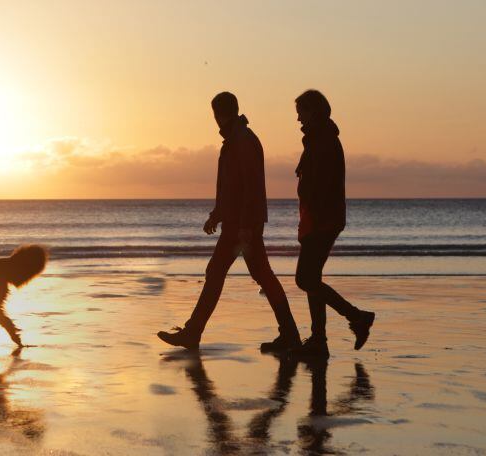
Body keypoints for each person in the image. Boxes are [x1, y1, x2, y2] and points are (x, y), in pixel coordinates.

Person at [158, 91, 301, 352]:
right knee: (254, 275)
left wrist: (245, 226)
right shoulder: (236, 140)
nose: (215, 120)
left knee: (226, 274)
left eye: (215, 115)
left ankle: (193, 332)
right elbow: (230, 187)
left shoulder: (242, 141)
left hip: (242, 226)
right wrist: (217, 214)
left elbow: (250, 187)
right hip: (239, 223)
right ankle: (288, 333)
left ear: (222, 114)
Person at [290, 89, 375, 359]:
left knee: (305, 278)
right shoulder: (318, 139)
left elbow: (322, 185)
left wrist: (313, 214)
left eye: (301, 113)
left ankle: (357, 317)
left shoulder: (323, 140)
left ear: (313, 112)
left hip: (322, 220)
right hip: (318, 219)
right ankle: (319, 340)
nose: (298, 119)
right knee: (312, 279)